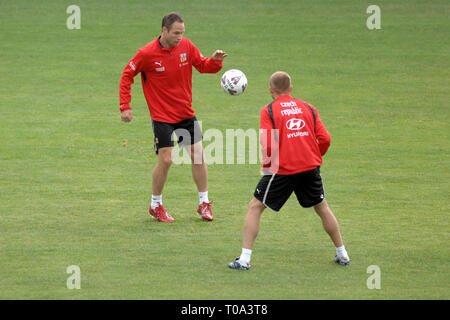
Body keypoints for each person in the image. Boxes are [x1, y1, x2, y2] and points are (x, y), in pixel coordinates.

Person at [228, 71, 350, 270]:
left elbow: (267, 144)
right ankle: (342, 254)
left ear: (271, 90)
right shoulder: (309, 108)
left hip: (282, 169)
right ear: (291, 89)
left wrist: (268, 167)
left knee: (255, 207)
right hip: (310, 168)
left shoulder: (269, 111)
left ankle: (244, 259)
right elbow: (326, 139)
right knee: (322, 207)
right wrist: (314, 158)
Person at [119, 12, 228, 222]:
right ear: (164, 30)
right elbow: (127, 74)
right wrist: (125, 105)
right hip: (162, 116)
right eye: (176, 33)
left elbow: (203, 66)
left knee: (198, 155)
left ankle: (204, 203)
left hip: (185, 113)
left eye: (182, 33)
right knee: (166, 159)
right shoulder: (146, 53)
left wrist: (214, 62)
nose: (180, 37)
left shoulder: (186, 46)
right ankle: (156, 205)